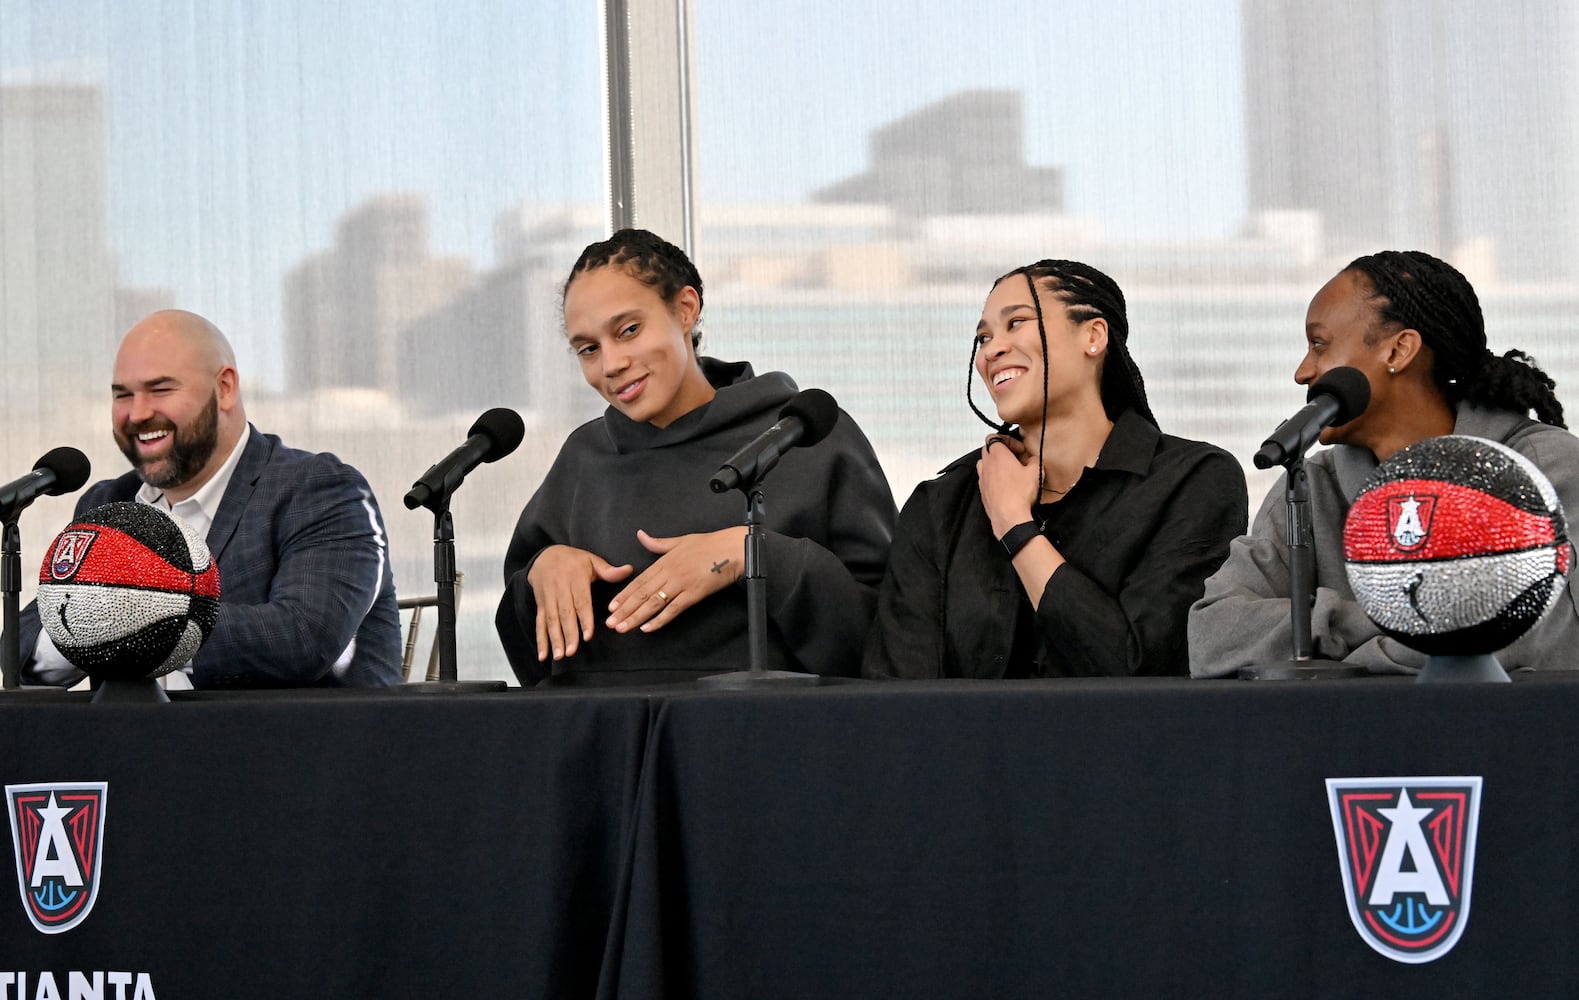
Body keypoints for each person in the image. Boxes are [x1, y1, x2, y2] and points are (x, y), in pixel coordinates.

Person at [495, 228, 895, 685]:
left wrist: (752, 555)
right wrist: (541, 574)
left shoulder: (807, 435)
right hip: (609, 746)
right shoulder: (583, 458)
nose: (610, 364)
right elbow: (534, 659)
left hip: (774, 741)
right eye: (588, 349)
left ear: (685, 309)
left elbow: (889, 637)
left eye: (628, 330)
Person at [1190, 250, 1579, 676]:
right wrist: (1375, 620)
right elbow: (1213, 635)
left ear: (1399, 349)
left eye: (1319, 344)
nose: (1302, 372)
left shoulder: (1546, 466)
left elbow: (1535, 646)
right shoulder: (1312, 484)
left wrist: (1337, 657)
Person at [862, 260, 1247, 679]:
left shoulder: (1194, 481)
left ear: (1093, 336)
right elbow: (897, 700)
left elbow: (1142, 672)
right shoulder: (939, 506)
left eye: (1017, 323)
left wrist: (1015, 526)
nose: (991, 350)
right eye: (984, 337)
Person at [19, 309, 402, 688]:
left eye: (161, 389)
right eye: (123, 395)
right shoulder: (108, 503)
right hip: (128, 747)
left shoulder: (320, 489)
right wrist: (97, 620)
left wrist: (115, 616)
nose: (137, 413)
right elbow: (21, 648)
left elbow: (303, 637)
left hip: (288, 746)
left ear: (225, 388)